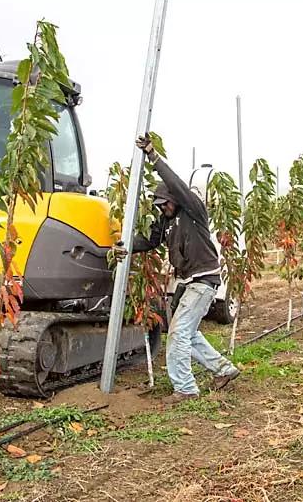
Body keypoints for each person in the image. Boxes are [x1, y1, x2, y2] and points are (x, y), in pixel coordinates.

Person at [113, 135, 241, 404]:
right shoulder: (167, 222)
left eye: (165, 203)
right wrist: (125, 247)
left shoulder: (193, 210)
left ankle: (185, 389)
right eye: (159, 205)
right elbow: (149, 241)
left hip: (203, 280)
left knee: (178, 333)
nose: (163, 208)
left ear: (174, 199)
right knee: (189, 333)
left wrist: (153, 156)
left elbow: (176, 184)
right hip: (189, 283)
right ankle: (223, 370)